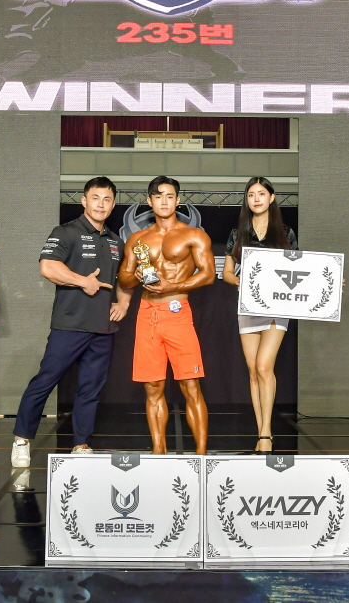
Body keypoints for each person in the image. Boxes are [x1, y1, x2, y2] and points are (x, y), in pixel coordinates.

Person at [11, 177, 129, 464]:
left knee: (91, 389)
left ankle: (81, 444)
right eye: (95, 198)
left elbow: (124, 278)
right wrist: (82, 281)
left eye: (107, 199)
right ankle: (21, 439)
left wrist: (123, 302)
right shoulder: (66, 232)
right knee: (45, 381)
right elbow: (48, 267)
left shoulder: (116, 241)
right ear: (84, 201)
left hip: (103, 328)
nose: (100, 204)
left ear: (113, 204)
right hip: (70, 324)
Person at [118, 175, 215, 455]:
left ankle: (201, 456)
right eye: (158, 196)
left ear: (178, 200)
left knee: (190, 385)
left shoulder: (194, 235)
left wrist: (171, 286)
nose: (164, 201)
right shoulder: (137, 239)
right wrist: (136, 276)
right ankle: (158, 452)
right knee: (152, 387)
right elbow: (124, 279)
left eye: (170, 196)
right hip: (147, 313)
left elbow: (208, 274)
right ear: (149, 201)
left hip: (177, 312)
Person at [221, 176, 297, 453]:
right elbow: (227, 273)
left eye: (261, 194)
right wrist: (238, 280)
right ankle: (260, 429)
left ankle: (266, 433)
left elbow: (300, 270)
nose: (256, 199)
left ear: (271, 198)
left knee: (265, 366)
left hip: (276, 308)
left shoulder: (285, 233)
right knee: (253, 371)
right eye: (251, 194)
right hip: (248, 307)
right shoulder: (237, 233)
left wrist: (330, 284)